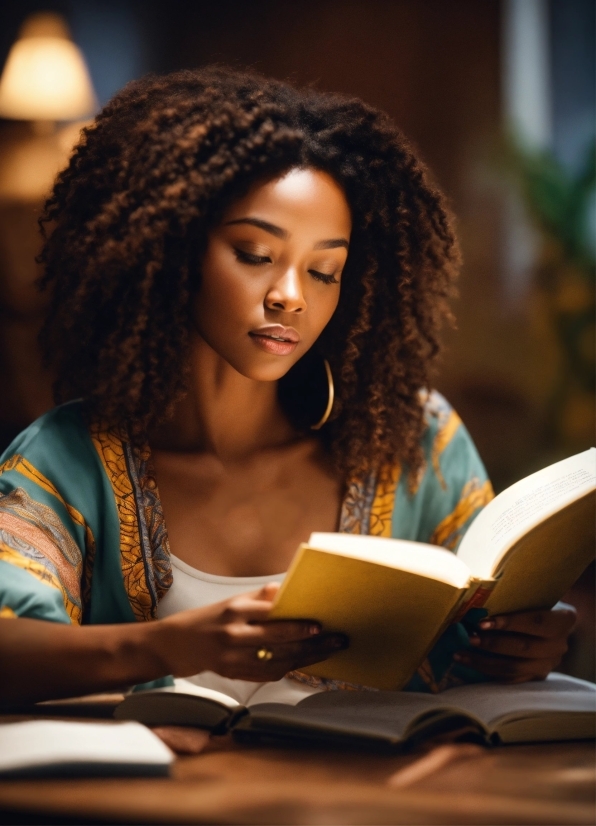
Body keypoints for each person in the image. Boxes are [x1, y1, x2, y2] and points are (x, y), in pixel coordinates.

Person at [0, 67, 575, 706]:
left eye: (325, 270)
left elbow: (478, 642)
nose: (291, 297)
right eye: (255, 255)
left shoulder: (414, 442)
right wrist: (168, 645)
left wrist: (522, 647)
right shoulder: (67, 461)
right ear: (169, 248)